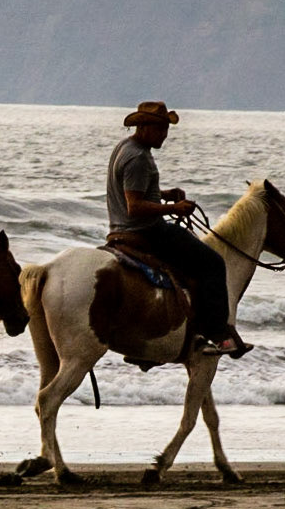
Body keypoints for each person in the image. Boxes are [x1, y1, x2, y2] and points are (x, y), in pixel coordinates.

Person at [106, 101, 248, 357]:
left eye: (166, 129)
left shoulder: (125, 147)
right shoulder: (138, 158)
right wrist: (175, 208)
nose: (164, 135)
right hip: (145, 231)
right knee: (213, 263)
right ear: (143, 127)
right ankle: (217, 336)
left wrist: (164, 194)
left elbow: (134, 189)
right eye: (160, 129)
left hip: (120, 228)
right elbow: (134, 206)